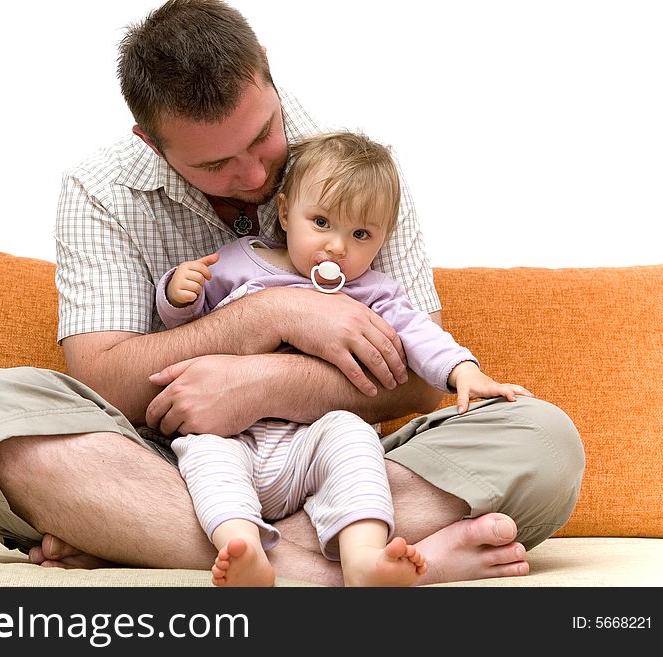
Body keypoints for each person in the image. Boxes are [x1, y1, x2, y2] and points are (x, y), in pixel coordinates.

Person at [0, 0, 584, 586]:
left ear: (266, 69)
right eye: (214, 164)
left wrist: (266, 382)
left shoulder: (356, 172)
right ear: (150, 140)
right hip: (170, 462)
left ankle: (137, 536)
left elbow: (417, 381)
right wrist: (264, 315)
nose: (252, 175)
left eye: (261, 136)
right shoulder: (98, 191)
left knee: (545, 440)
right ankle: (339, 569)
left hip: (328, 457)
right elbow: (104, 380)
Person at [157, 131, 533, 586]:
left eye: (359, 234)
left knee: (352, 435)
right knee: (202, 452)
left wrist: (462, 371)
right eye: (321, 222)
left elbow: (418, 333)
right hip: (235, 436)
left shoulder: (374, 292)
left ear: (382, 242)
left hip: (312, 445)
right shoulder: (240, 261)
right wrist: (176, 294)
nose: (337, 246)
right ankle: (244, 549)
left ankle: (363, 559)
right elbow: (190, 330)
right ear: (284, 212)